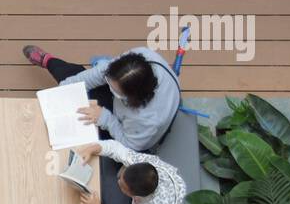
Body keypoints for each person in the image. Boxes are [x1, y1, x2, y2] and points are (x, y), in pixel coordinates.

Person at [23, 44, 181, 152]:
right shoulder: (141, 56)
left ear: (131, 96)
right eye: (109, 81)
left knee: (84, 135)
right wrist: (64, 89)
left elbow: (130, 145)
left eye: (113, 88)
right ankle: (49, 61)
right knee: (77, 74)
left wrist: (104, 118)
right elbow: (97, 75)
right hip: (123, 97)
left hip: (132, 134)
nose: (107, 84)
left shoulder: (146, 119)